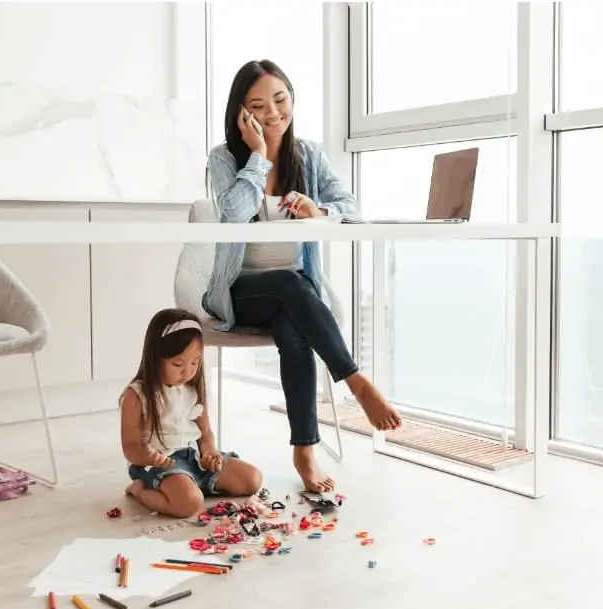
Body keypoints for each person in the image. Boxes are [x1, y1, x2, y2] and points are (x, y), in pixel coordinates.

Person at [202, 59, 402, 493]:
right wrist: (256, 159)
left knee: (294, 328)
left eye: (280, 99)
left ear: (292, 98)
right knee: (289, 287)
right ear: (241, 113)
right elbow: (232, 215)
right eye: (258, 105)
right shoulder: (223, 159)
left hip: (294, 293)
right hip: (241, 291)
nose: (273, 113)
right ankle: (354, 379)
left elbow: (353, 210)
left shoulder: (308, 155)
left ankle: (304, 452)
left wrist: (320, 211)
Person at [121, 308, 263, 518]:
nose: (187, 371)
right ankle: (142, 491)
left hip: (194, 459)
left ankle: (192, 483)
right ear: (155, 357)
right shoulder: (137, 395)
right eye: (177, 363)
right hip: (160, 463)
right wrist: (148, 456)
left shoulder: (193, 389)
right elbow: (130, 447)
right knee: (189, 505)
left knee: (252, 479)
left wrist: (209, 452)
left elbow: (205, 433)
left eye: (195, 362)